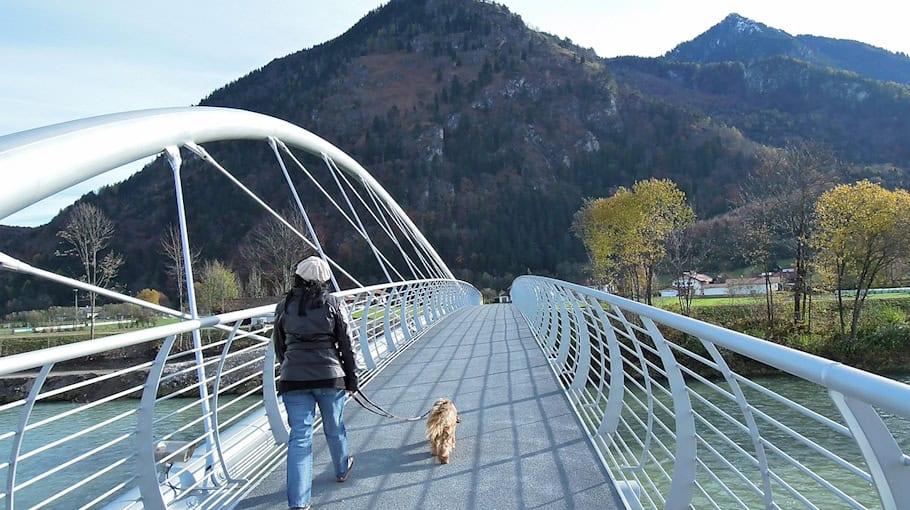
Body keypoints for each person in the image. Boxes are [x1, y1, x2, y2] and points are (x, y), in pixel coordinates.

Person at [272, 256, 359, 510]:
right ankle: (342, 469)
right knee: (334, 426)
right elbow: (347, 344)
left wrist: (289, 366)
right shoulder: (333, 303)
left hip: (293, 378)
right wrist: (351, 379)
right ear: (325, 279)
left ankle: (299, 503)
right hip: (330, 376)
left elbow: (279, 345)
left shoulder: (284, 305)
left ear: (297, 276)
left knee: (300, 438)